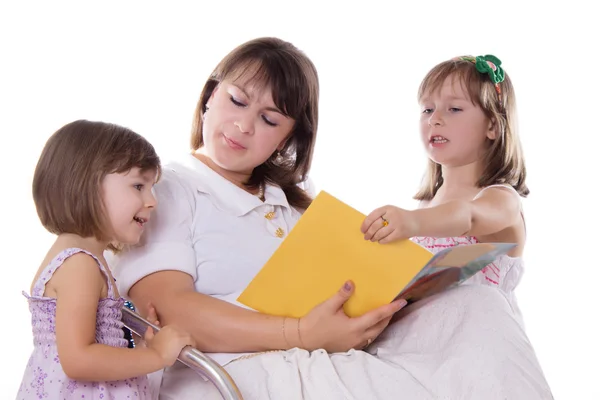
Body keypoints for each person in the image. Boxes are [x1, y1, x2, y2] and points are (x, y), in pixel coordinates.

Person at [113, 42, 554, 399]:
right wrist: (300, 332)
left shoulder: (297, 210)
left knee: (468, 321)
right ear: (209, 96)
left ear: (290, 138)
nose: (243, 126)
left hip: (322, 362)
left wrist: (357, 322)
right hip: (235, 371)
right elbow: (169, 310)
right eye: (236, 100)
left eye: (269, 119)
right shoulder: (165, 190)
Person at [17, 120, 193, 400]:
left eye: (151, 188)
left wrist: (138, 345)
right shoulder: (79, 265)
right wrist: (158, 356)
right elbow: (79, 360)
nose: (152, 201)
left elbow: (97, 343)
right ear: (86, 185)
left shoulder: (85, 259)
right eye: (138, 185)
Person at [362, 55, 527, 302]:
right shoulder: (425, 207)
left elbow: (468, 217)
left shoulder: (502, 200)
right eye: (427, 109)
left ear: (492, 125)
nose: (434, 119)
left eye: (454, 109)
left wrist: (411, 222)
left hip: (476, 337)